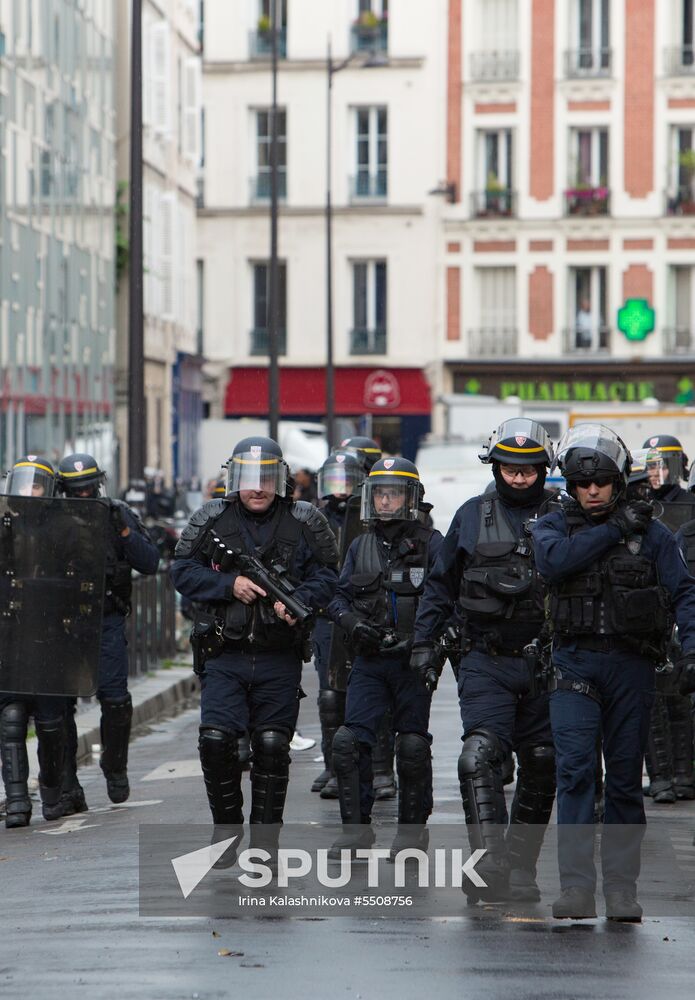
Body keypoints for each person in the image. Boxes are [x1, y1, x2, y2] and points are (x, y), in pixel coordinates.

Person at [531, 424, 695, 921]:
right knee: (577, 773)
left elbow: (686, 592)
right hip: (574, 663)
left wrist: (691, 651)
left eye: (601, 481)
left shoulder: (653, 533)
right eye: (583, 484)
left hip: (632, 666)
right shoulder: (553, 525)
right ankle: (577, 889)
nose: (592, 490)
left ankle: (621, 890)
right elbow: (554, 563)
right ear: (571, 486)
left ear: (618, 480)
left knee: (624, 780)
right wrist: (614, 529)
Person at [170, 437, 337, 863]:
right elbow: (181, 570)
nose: (257, 488)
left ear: (280, 480)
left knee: (270, 745)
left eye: (265, 479)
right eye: (248, 479)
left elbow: (330, 575)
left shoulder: (305, 520)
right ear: (234, 480)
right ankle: (225, 832)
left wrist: (297, 600)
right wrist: (229, 585)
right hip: (224, 654)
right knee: (215, 741)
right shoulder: (212, 516)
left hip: (279, 654)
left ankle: (265, 842)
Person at [412, 418, 557, 904]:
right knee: (478, 758)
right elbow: (440, 584)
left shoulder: (563, 514)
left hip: (548, 664)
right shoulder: (471, 516)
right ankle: (487, 869)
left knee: (541, 761)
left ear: (543, 468)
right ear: (495, 466)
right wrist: (423, 642)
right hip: (485, 657)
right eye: (510, 468)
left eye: (528, 469)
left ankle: (521, 869)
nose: (519, 478)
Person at [328, 457, 443, 857]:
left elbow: (445, 597)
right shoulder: (360, 545)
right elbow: (339, 597)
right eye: (379, 494)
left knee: (411, 746)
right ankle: (356, 831)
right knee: (347, 742)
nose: (385, 501)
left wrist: (423, 642)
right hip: (370, 660)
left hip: (411, 662)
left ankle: (412, 834)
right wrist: (352, 624)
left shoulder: (432, 543)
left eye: (393, 494)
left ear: (410, 498)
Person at [56, 454, 160, 811]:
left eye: (89, 488)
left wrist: (124, 531)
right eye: (76, 490)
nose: (84, 496)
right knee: (58, 708)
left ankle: (115, 767)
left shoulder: (116, 514)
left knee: (116, 701)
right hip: (63, 623)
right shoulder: (52, 517)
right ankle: (67, 783)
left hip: (106, 619)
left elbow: (149, 563)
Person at [0, 457, 69, 826]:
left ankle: (53, 793)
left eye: (37, 485)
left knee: (50, 723)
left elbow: (81, 580)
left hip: (49, 637)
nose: (29, 492)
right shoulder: (3, 527)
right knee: (10, 719)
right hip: (10, 639)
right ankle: (15, 801)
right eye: (24, 483)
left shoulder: (66, 529)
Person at [641, 435, 695, 803]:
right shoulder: (636, 506)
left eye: (665, 464)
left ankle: (683, 775)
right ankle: (661, 776)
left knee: (681, 698)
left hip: (683, 606)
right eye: (651, 465)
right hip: (652, 611)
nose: (657, 473)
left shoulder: (689, 508)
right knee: (654, 700)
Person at [311, 450, 364, 795]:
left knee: (363, 689)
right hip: (326, 613)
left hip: (360, 609)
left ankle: (366, 764)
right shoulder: (314, 518)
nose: (341, 490)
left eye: (347, 482)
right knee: (330, 694)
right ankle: (332, 763)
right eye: (335, 482)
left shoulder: (371, 516)